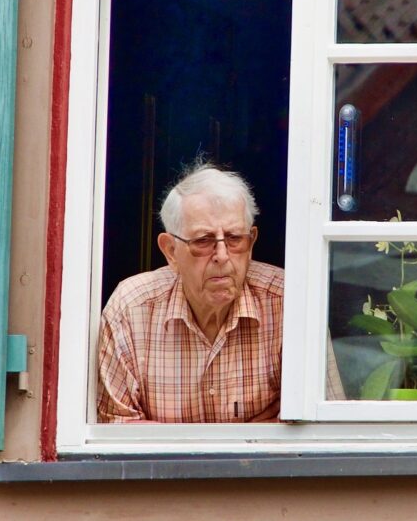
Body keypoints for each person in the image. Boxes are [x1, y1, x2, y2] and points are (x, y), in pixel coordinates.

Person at [97, 163, 284, 422]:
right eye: (203, 241)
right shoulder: (130, 308)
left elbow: (315, 428)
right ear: (171, 251)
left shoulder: (287, 303)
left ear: (251, 242)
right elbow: (115, 430)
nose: (221, 256)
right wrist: (242, 439)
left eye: (234, 239)